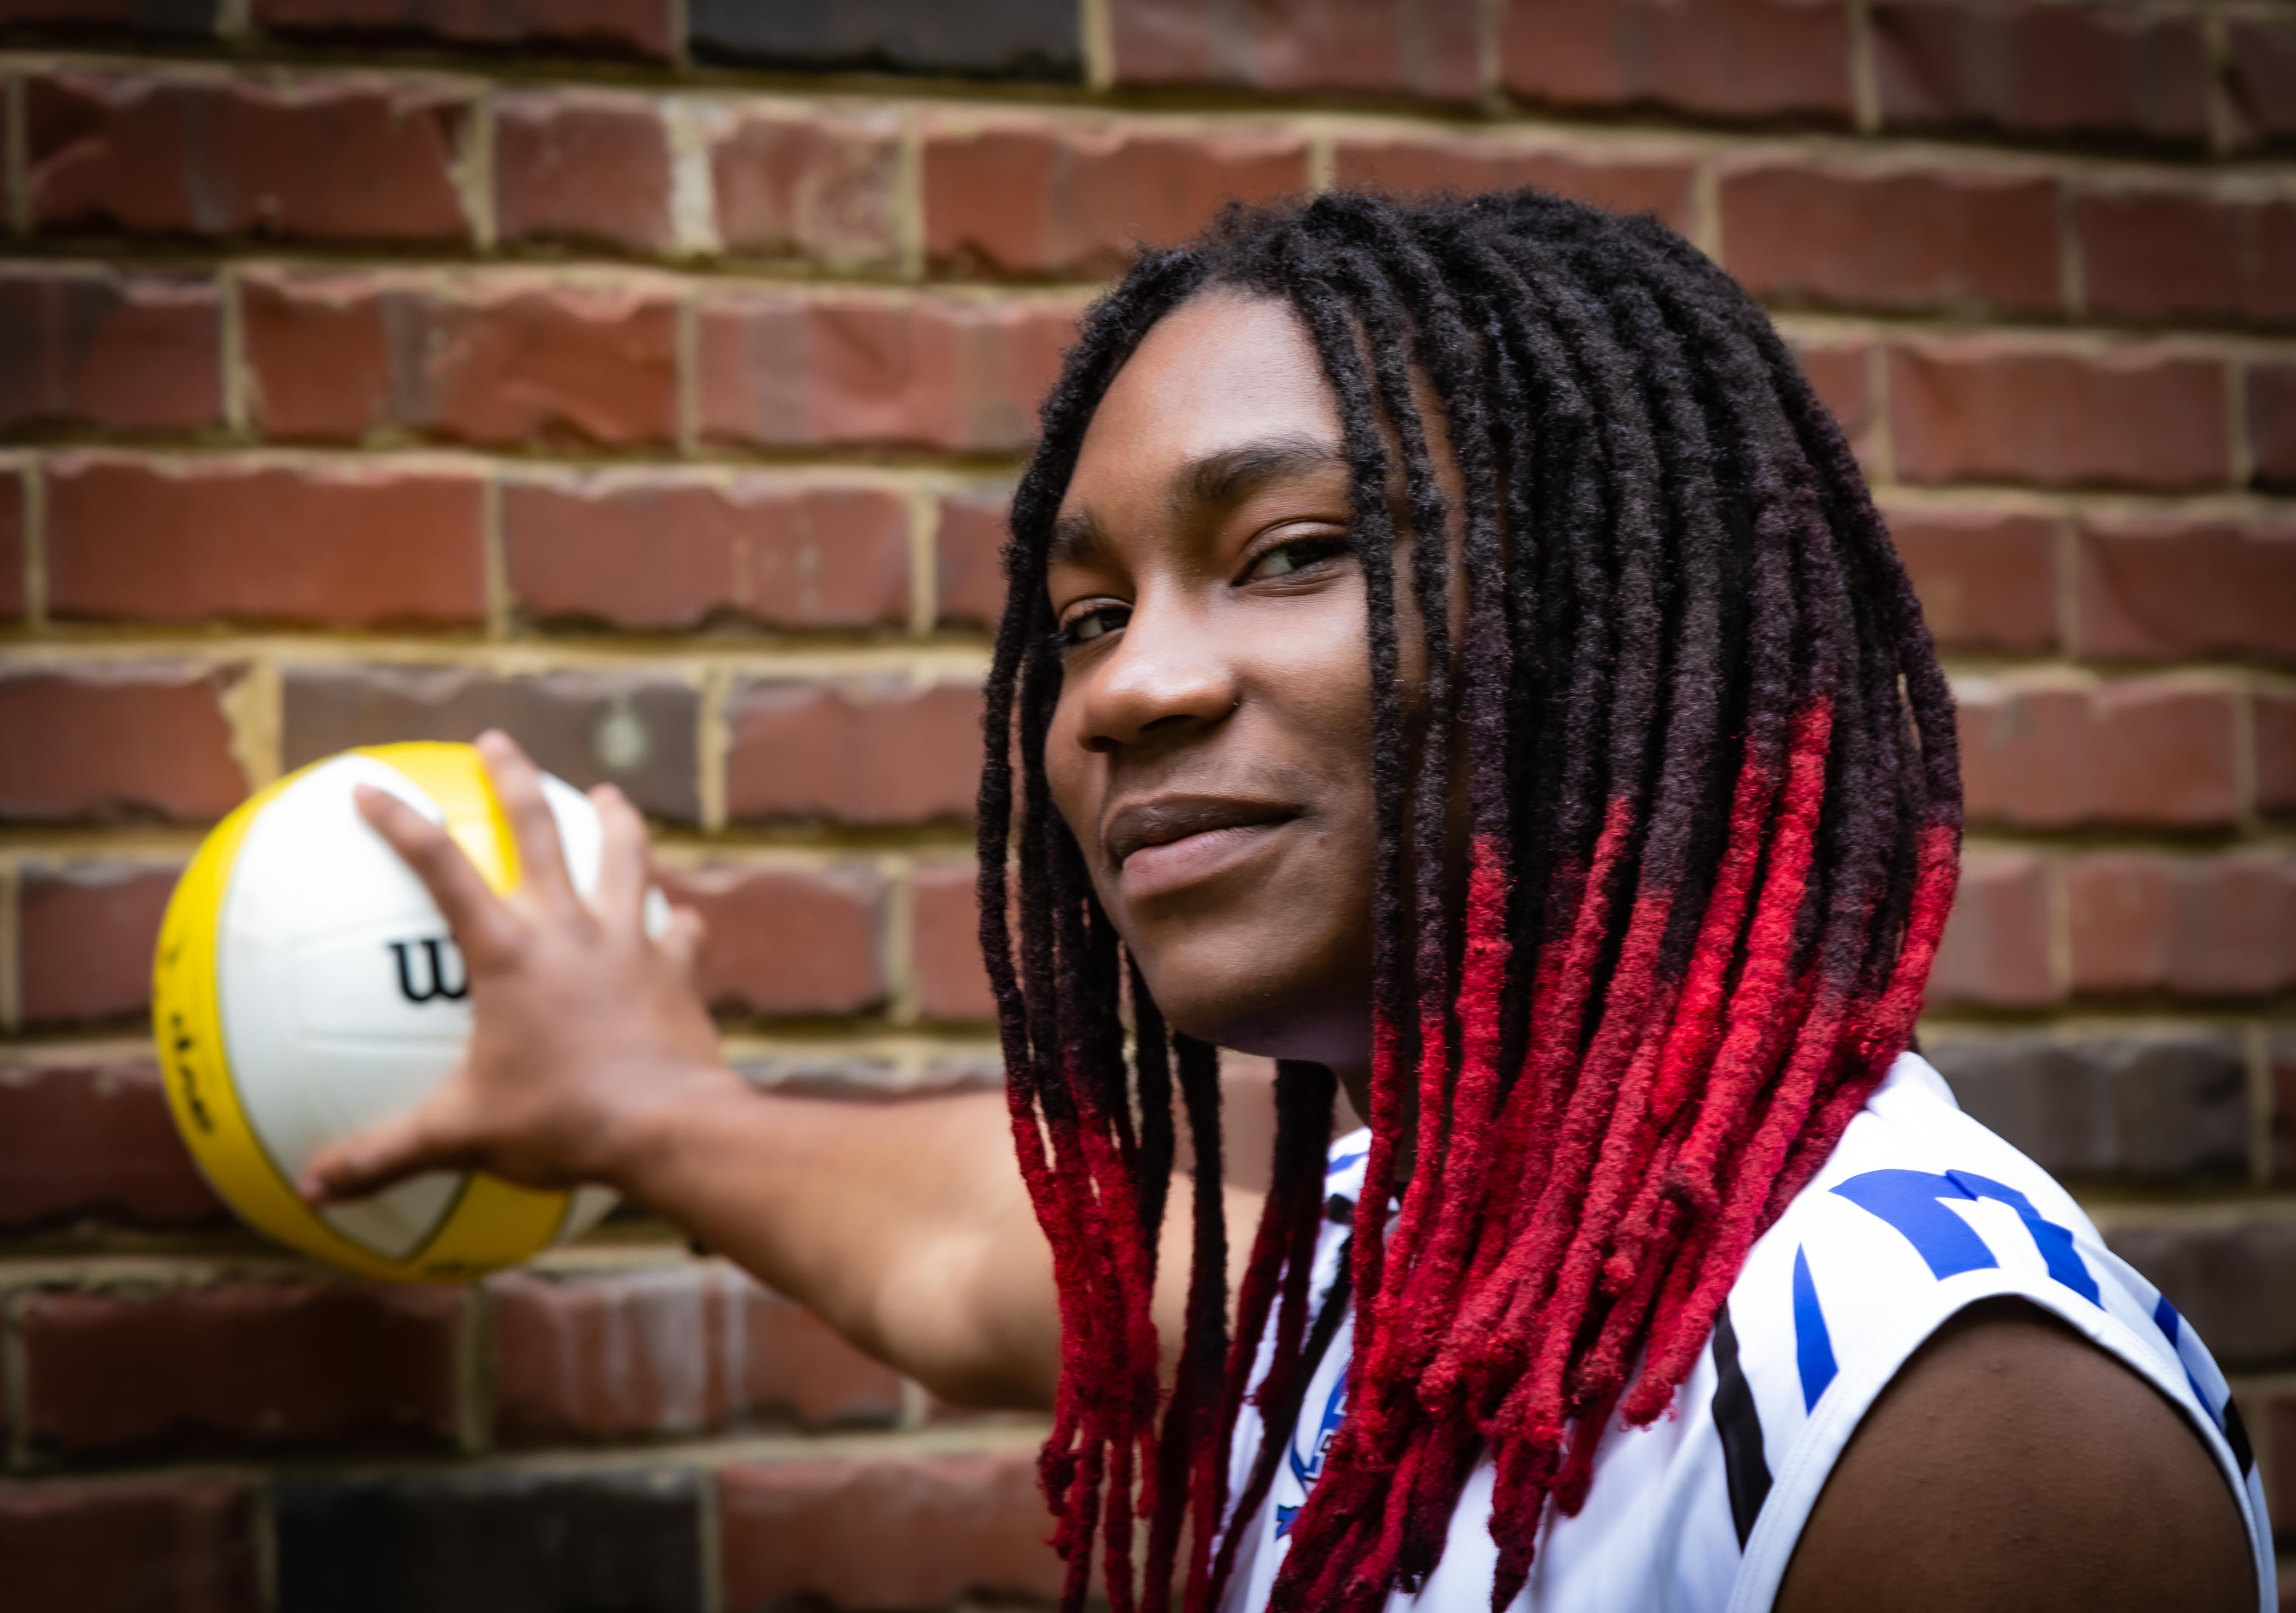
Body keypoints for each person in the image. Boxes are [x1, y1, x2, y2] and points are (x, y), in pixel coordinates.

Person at [303, 191, 2272, 1613]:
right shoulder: (1420, 1267)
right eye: (1088, 615)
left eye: (1291, 551)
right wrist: (639, 1105)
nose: (1127, 688)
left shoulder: (1950, 1408)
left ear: (1602, 620)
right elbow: (978, 1255)